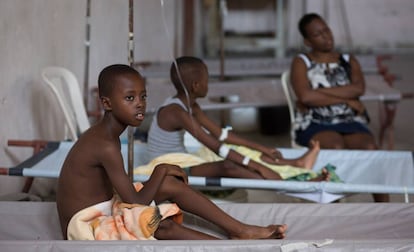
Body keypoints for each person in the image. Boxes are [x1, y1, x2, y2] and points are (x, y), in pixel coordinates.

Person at [56, 64, 287, 240]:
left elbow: (127, 194)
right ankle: (229, 246)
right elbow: (136, 202)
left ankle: (240, 230)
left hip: (105, 208)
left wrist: (161, 178)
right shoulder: (105, 143)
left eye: (143, 96)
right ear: (107, 103)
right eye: (129, 98)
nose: (139, 104)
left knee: (169, 185)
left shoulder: (108, 136)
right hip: (87, 226)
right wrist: (161, 169)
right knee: (158, 222)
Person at [146, 56, 333, 182]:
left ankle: (295, 164)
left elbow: (221, 135)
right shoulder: (175, 112)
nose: (208, 84)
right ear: (196, 85)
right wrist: (257, 167)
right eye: (207, 80)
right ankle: (292, 183)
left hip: (183, 159)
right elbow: (214, 145)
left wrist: (262, 148)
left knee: (242, 151)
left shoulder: (190, 105)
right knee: (231, 166)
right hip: (169, 169)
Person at [290, 13, 388, 201]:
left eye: (326, 29)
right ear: (308, 41)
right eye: (318, 34)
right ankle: (336, 205)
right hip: (314, 122)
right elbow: (305, 96)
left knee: (371, 149)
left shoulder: (348, 60)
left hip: (349, 120)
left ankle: (384, 207)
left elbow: (359, 88)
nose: (326, 36)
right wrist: (348, 99)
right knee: (335, 146)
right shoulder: (301, 61)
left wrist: (320, 94)